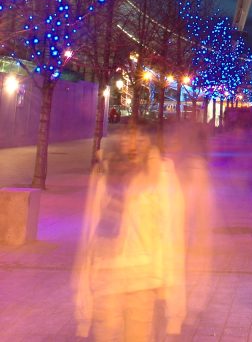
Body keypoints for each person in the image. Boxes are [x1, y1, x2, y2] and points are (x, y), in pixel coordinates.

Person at [74, 124, 186, 340]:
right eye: (127, 135)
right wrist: (83, 296)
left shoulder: (160, 175)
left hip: (142, 279)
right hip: (105, 275)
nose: (132, 141)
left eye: (140, 136)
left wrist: (175, 301)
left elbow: (172, 232)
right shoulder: (105, 172)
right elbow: (90, 231)